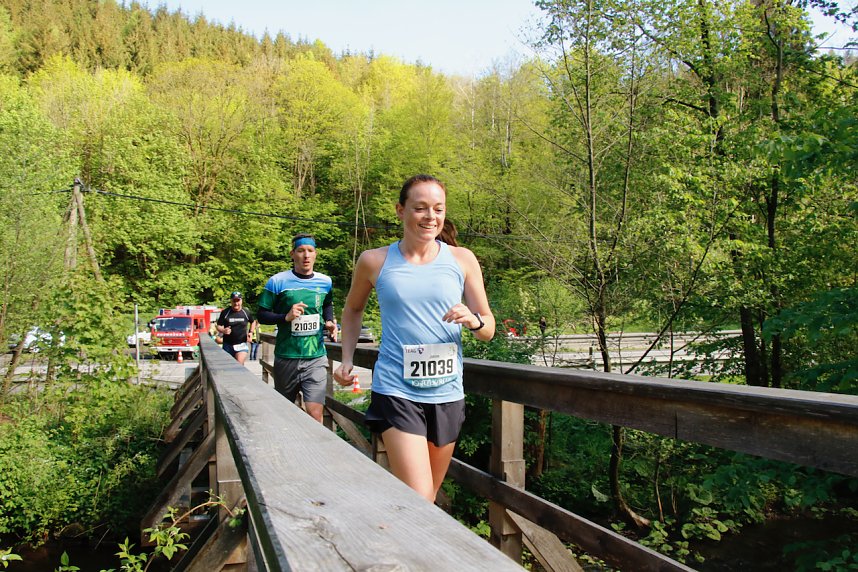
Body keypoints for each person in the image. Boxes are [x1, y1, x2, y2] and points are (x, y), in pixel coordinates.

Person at [333, 174, 495, 503]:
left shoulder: (462, 259)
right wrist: (347, 358)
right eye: (420, 208)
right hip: (397, 390)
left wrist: (473, 320)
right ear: (401, 210)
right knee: (420, 496)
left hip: (447, 392)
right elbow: (352, 309)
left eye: (438, 208)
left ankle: (393, 531)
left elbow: (488, 329)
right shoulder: (374, 260)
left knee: (427, 501)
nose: (430, 216)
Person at [257, 233, 338, 422]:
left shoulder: (325, 281)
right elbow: (261, 315)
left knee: (315, 413)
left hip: (315, 357)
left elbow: (327, 304)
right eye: (301, 251)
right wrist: (285, 317)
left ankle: (314, 443)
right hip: (287, 357)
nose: (306, 255)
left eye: (310, 250)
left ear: (316, 254)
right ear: (292, 254)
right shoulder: (277, 281)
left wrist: (329, 321)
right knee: (285, 414)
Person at [216, 292, 255, 364]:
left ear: (241, 301)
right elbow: (218, 326)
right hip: (228, 344)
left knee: (239, 364)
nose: (236, 303)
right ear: (231, 301)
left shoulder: (246, 312)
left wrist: (251, 332)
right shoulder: (225, 312)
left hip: (241, 344)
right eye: (234, 301)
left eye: (238, 301)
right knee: (229, 366)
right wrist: (223, 330)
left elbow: (253, 322)